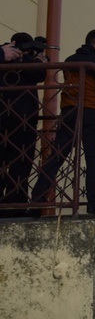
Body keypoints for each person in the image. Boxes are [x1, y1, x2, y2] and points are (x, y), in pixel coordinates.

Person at [31, 29, 95, 216]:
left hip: (69, 111)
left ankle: (37, 199)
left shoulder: (71, 59)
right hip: (91, 112)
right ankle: (94, 203)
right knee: (93, 159)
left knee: (57, 156)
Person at [0, 33, 47, 216]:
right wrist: (38, 60)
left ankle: (11, 205)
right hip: (22, 118)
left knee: (10, 162)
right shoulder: (12, 56)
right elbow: (39, 73)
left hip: (8, 116)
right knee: (21, 162)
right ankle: (15, 205)